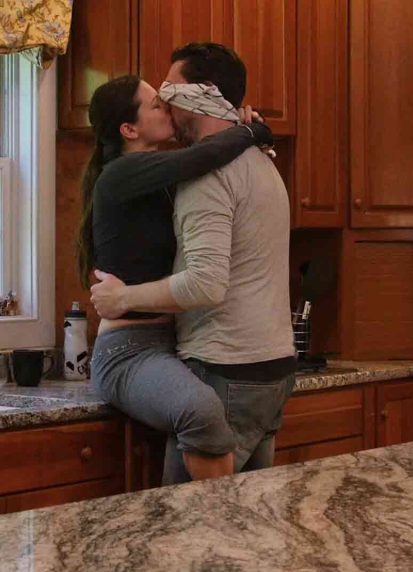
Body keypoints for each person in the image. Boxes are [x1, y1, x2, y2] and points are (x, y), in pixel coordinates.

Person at [90, 43, 296, 484]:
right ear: (128, 129)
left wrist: (248, 131)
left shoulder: (188, 175)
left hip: (192, 354)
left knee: (212, 535)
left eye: (171, 92)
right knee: (213, 529)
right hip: (132, 347)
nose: (165, 101)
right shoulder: (122, 176)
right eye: (155, 101)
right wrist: (251, 132)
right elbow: (200, 156)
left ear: (200, 96)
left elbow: (201, 159)